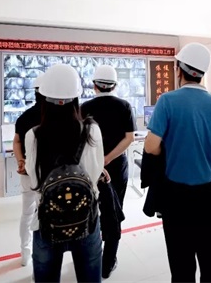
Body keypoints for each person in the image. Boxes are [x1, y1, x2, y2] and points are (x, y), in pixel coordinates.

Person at [144, 42, 211, 283]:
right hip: (210, 192)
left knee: (181, 263)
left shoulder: (168, 101)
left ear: (179, 69)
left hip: (177, 197)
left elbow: (150, 146)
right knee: (210, 260)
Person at [25, 64, 104, 282]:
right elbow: (95, 172)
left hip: (46, 221)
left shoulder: (33, 136)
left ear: (44, 99)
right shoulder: (92, 131)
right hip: (86, 217)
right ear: (76, 99)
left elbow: (34, 178)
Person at [80, 64, 135, 278]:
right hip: (117, 166)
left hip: (90, 169)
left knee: (90, 210)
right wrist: (108, 158)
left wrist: (98, 162)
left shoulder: (84, 107)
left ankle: (91, 257)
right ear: (115, 85)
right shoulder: (124, 106)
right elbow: (129, 138)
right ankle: (108, 262)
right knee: (114, 211)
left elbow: (80, 140)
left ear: (94, 85)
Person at [13, 73, 45, 267]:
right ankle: (42, 255)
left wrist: (21, 160)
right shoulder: (54, 117)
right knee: (44, 214)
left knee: (27, 213)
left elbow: (17, 141)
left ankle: (25, 252)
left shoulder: (24, 116)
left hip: (28, 174)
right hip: (47, 174)